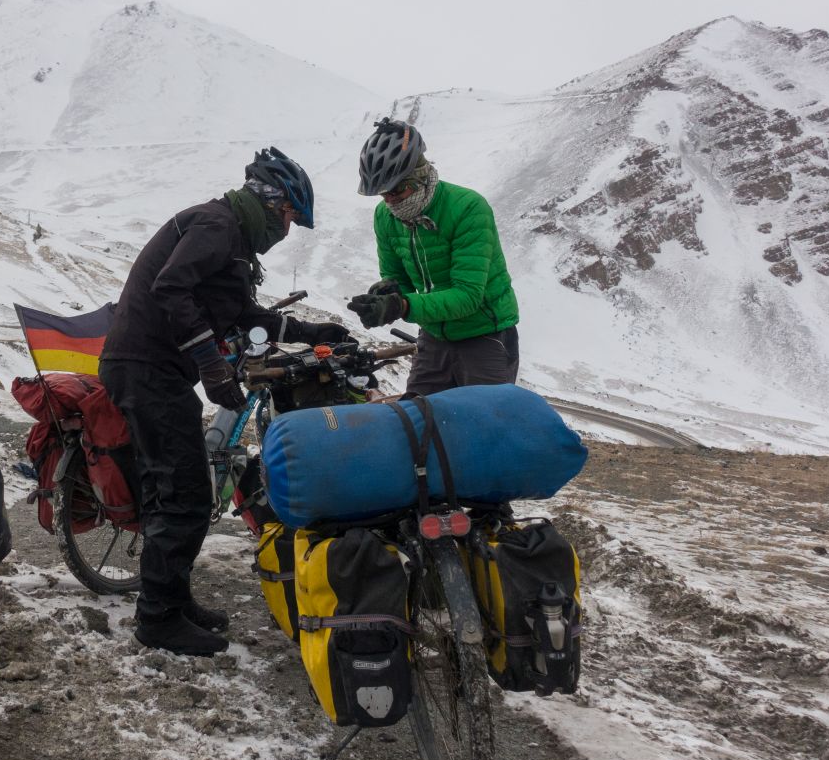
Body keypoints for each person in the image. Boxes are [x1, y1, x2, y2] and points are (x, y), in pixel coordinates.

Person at [100, 148, 347, 656]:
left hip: (146, 368)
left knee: (168, 489)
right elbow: (171, 288)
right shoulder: (216, 225)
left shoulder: (228, 235)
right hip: (147, 370)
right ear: (270, 199)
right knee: (186, 491)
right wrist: (211, 365)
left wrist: (307, 331)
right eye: (287, 216)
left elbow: (240, 313)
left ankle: (169, 597)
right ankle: (158, 619)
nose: (285, 230)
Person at [347, 119, 520, 394]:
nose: (390, 201)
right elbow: (397, 279)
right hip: (434, 336)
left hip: (486, 335)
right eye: (382, 194)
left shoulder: (468, 208)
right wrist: (388, 295)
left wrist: (402, 305)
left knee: (483, 428)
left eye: (396, 190)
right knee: (418, 423)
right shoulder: (385, 217)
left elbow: (467, 296)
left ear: (421, 175)